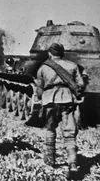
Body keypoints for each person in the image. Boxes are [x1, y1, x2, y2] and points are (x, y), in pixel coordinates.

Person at [35, 43, 85, 178]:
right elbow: (80, 84)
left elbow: (39, 88)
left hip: (50, 100)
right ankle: (73, 164)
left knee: (50, 129)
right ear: (62, 53)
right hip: (68, 99)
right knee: (69, 133)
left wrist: (42, 97)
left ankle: (50, 161)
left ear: (50, 53)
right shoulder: (72, 65)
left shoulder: (44, 67)